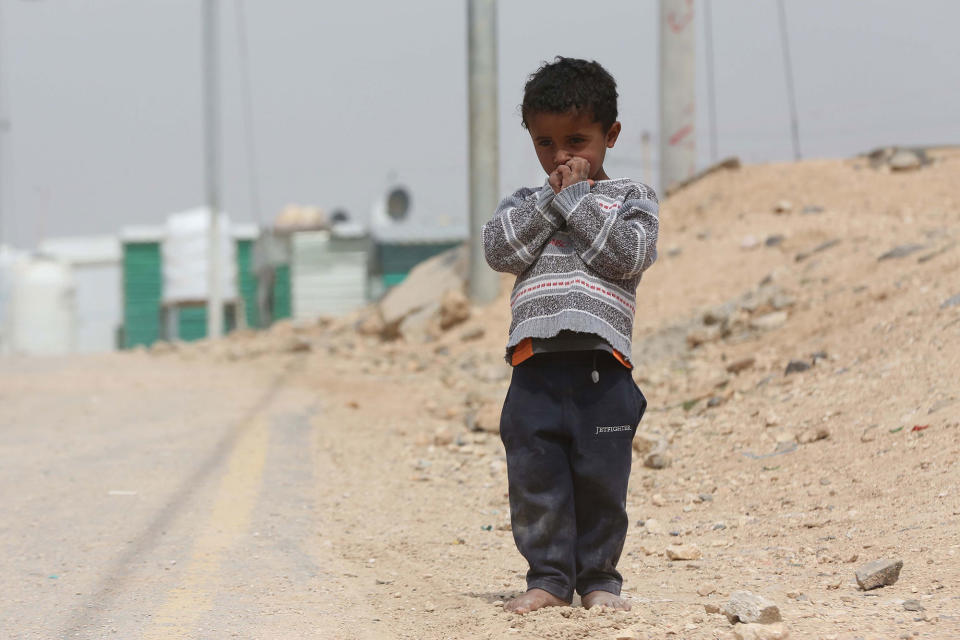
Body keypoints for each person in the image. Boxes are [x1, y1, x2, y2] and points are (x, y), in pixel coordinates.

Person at [482, 57, 659, 614]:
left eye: (577, 140)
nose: (561, 157)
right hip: (533, 370)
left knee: (603, 481)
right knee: (536, 479)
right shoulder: (524, 204)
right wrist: (551, 201)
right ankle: (549, 578)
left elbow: (626, 257)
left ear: (611, 135)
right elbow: (499, 251)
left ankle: (600, 581)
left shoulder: (631, 199)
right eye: (545, 143)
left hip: (603, 372)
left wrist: (577, 202)